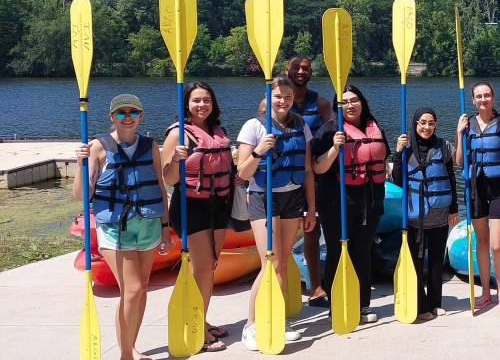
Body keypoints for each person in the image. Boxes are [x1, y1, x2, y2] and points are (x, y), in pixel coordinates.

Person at [73, 94, 172, 360]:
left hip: (148, 223)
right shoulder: (97, 147)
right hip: (117, 227)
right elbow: (81, 195)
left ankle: (131, 348)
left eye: (132, 112)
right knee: (133, 290)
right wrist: (82, 163)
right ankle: (126, 355)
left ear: (141, 115)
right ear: (112, 117)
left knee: (140, 290)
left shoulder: (150, 146)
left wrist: (165, 228)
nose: (127, 117)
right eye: (120, 113)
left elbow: (161, 189)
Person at [237, 77, 317, 350]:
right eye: (277, 97)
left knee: (282, 262)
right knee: (269, 262)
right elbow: (243, 172)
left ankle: (275, 317)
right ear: (268, 98)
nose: (282, 101)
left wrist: (311, 208)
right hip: (264, 197)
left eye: (287, 97)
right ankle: (251, 324)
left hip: (292, 198)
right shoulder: (254, 126)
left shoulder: (301, 125)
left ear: (293, 98)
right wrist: (259, 151)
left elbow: (307, 170)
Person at [160, 82, 235, 352]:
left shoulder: (219, 131)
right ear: (186, 105)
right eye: (196, 101)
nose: (202, 105)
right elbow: (168, 179)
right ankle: (196, 327)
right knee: (201, 267)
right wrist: (177, 160)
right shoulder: (177, 135)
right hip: (190, 205)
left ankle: (200, 318)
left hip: (218, 204)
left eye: (206, 100)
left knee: (209, 266)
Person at [311, 85, 389, 324]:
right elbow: (317, 167)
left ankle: (363, 304)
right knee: (337, 253)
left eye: (354, 100)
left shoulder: (375, 128)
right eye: (344, 102)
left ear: (362, 102)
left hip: (370, 201)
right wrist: (335, 148)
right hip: (337, 203)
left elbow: (384, 159)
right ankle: (337, 304)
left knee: (362, 254)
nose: (351, 105)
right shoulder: (329, 131)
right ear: (337, 106)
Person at [392, 107, 460, 320]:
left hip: (440, 214)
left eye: (431, 123)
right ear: (415, 124)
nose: (427, 127)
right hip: (415, 216)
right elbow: (397, 179)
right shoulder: (406, 148)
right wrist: (397, 152)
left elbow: (450, 177)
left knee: (436, 262)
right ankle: (419, 306)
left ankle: (435, 303)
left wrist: (454, 210)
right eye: (423, 123)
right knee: (415, 262)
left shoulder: (444, 146)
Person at [454, 82, 500, 309]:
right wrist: (459, 133)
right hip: (476, 188)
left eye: (487, 95)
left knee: (497, 245)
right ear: (473, 100)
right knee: (481, 241)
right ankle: (485, 291)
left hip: (499, 188)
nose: (483, 100)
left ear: (493, 97)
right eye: (479, 96)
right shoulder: (466, 124)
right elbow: (459, 161)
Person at [284, 56, 333, 307]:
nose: (301, 72)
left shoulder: (321, 103)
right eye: (296, 68)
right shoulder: (273, 103)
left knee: (313, 230)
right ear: (286, 70)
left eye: (306, 68)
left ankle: (316, 288)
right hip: (286, 175)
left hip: (316, 174)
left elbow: (333, 134)